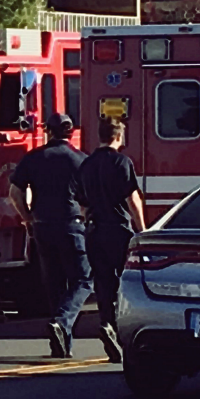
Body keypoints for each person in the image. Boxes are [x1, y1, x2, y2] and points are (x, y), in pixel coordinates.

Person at [9, 113, 92, 359]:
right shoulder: (80, 160)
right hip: (72, 224)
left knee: (54, 283)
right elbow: (88, 199)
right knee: (83, 279)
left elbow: (15, 191)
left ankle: (61, 344)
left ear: (48, 131)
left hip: (42, 226)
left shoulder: (34, 158)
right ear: (69, 132)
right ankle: (61, 321)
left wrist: (27, 218)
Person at [78, 119, 146, 363]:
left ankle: (106, 323)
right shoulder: (122, 162)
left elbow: (82, 204)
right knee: (126, 281)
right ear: (120, 136)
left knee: (103, 282)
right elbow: (133, 200)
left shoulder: (86, 165)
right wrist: (143, 230)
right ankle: (122, 329)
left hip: (94, 231)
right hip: (118, 230)